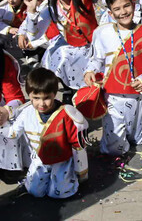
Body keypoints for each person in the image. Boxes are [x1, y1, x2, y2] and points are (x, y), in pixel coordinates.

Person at [83, 0, 142, 156]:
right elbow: (97, 59)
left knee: (141, 139)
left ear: (133, 5)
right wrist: (90, 70)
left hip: (140, 95)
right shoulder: (102, 33)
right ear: (110, 13)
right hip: (112, 96)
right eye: (117, 9)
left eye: (126, 6)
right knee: (114, 148)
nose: (123, 12)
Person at [23, 0, 114, 92]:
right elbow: (34, 35)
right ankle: (68, 92)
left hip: (94, 46)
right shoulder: (51, 7)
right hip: (71, 50)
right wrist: (31, 10)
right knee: (60, 57)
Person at [9, 68, 88, 198]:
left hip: (61, 160)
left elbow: (77, 144)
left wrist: (81, 170)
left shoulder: (67, 114)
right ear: (29, 95)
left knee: (59, 194)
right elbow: (13, 134)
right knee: (35, 192)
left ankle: (69, 179)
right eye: (36, 98)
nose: (41, 103)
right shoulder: (26, 112)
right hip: (39, 158)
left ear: (54, 93)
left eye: (46, 98)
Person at [0, 47, 26, 180]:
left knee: (11, 122)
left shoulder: (3, 60)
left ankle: (7, 166)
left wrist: (5, 111)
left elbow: (15, 98)